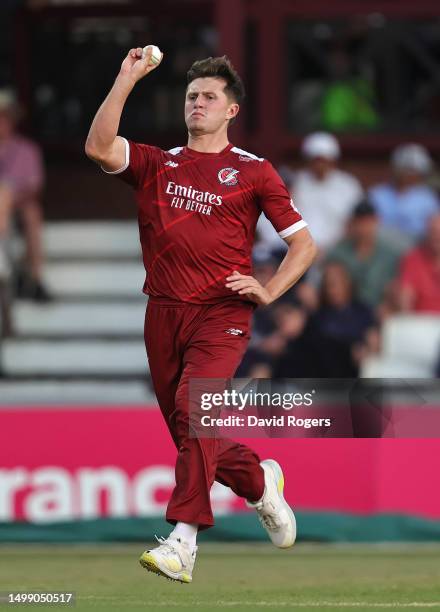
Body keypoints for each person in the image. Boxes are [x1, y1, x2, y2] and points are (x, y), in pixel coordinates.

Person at [85, 49, 317, 583]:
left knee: (197, 410)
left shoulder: (254, 171)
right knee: (192, 429)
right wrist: (125, 78)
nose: (198, 103)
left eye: (210, 96)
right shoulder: (157, 164)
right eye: (192, 96)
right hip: (163, 313)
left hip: (222, 313)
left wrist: (269, 290)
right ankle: (259, 482)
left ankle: (183, 540)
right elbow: (98, 147)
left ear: (231, 111)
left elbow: (303, 246)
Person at [256, 132, 363, 257]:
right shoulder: (295, 182)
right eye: (316, 160)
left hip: (337, 252)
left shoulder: (348, 186)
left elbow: (357, 223)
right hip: (296, 251)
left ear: (333, 160)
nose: (320, 165)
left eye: (324, 160)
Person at [0, 89, 51, 303]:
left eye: (4, 117)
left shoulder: (27, 149)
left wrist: (10, 197)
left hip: (18, 205)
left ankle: (35, 278)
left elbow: (35, 187)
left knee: (32, 212)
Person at [326, 200, 401, 310]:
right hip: (345, 311)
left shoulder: (389, 255)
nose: (364, 227)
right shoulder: (339, 252)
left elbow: (395, 287)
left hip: (377, 311)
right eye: (360, 222)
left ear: (376, 221)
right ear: (353, 223)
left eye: (368, 222)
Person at [369, 144, 439, 243]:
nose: (409, 175)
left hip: (416, 249)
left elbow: (434, 230)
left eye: (414, 171)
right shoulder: (377, 194)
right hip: (381, 249)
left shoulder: (428, 198)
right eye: (406, 169)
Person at [398, 214, 440, 313]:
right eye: (434, 232)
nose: (438, 237)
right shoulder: (413, 260)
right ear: (427, 234)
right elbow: (406, 296)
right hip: (421, 322)